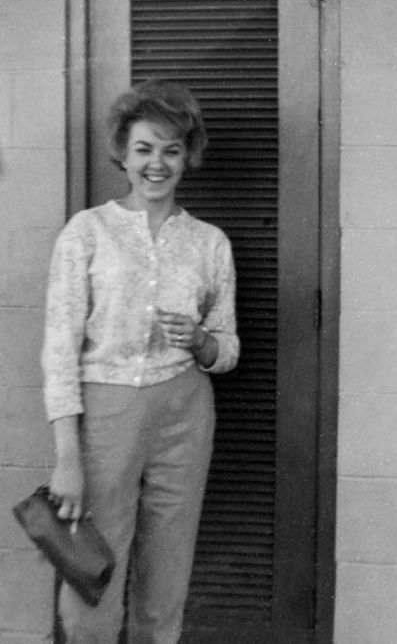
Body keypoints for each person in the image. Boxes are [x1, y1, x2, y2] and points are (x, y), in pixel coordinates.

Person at [41, 79, 240, 643]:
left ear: (187, 157)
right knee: (91, 571)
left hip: (185, 410)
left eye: (172, 150)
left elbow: (227, 349)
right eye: (145, 149)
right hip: (105, 414)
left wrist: (201, 341)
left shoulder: (209, 243)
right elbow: (59, 349)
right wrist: (67, 457)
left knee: (168, 573)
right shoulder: (87, 232)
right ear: (123, 157)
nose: (158, 163)